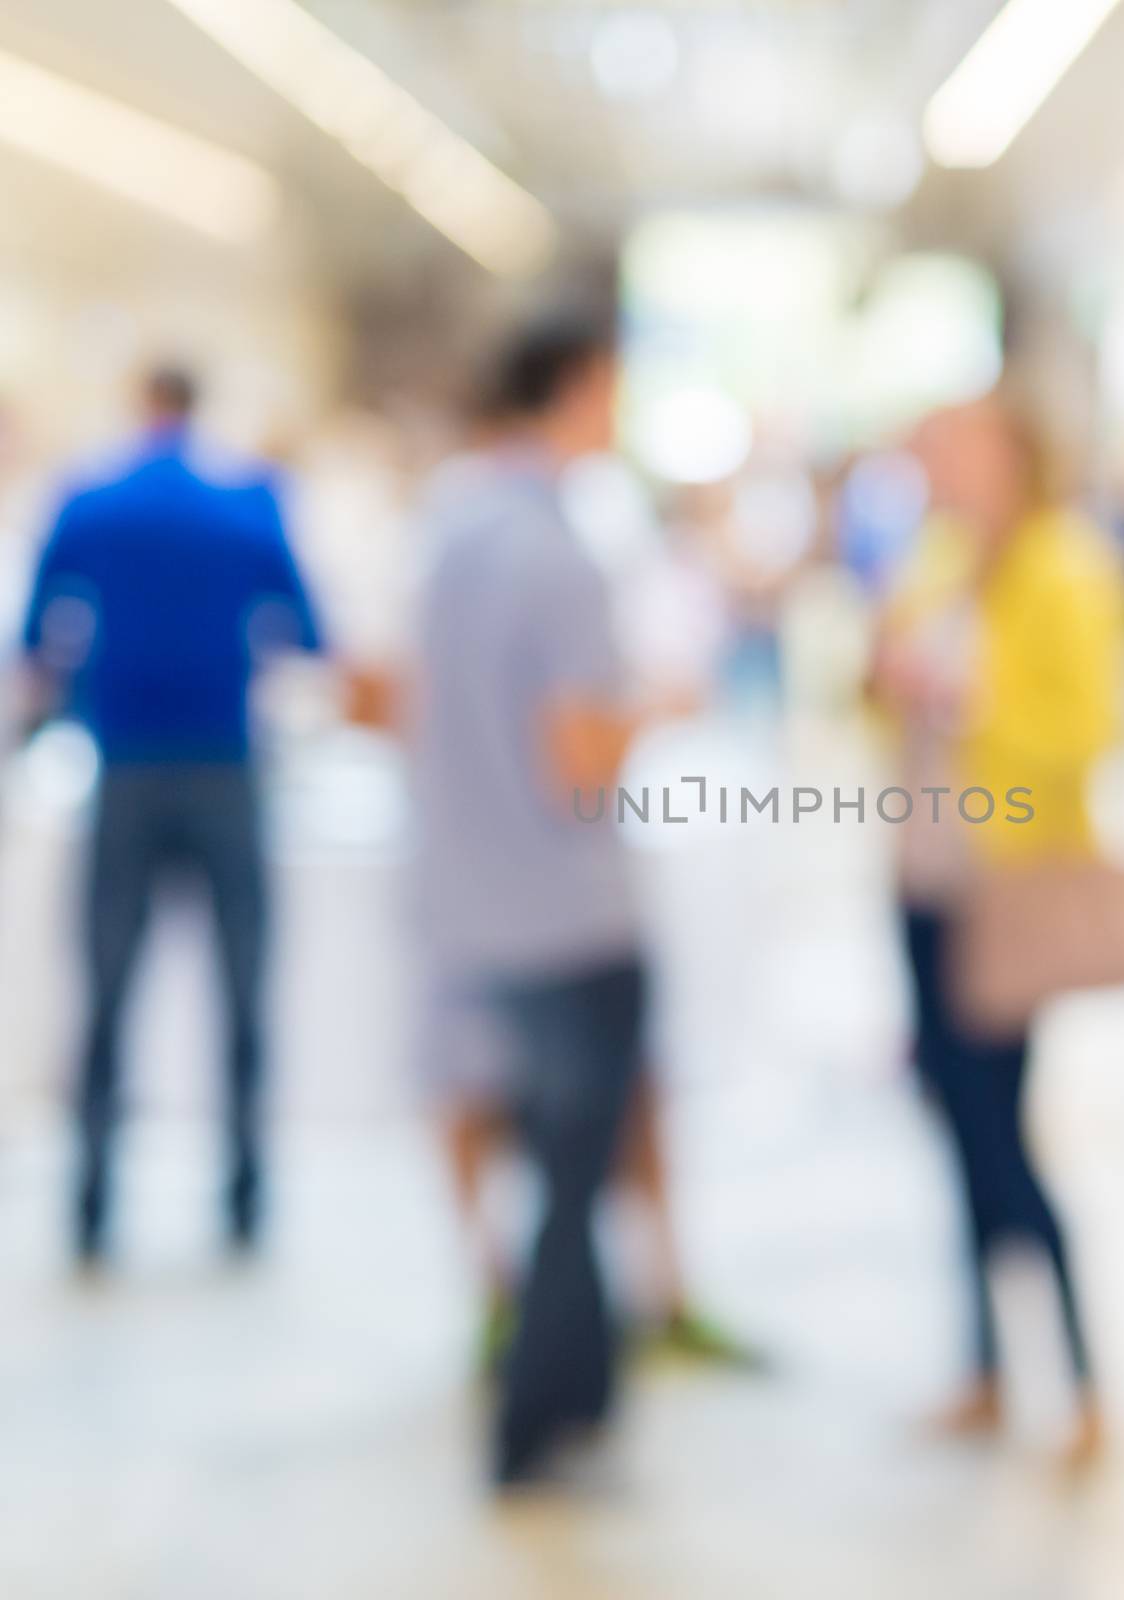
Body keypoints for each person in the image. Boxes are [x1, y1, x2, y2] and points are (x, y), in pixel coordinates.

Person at [874, 394, 1124, 1470]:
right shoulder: (936, 559)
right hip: (925, 874)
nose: (939, 464)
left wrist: (970, 699)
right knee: (952, 1121)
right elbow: (882, 678)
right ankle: (983, 1365)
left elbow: (1086, 732)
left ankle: (1079, 1377)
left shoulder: (1068, 567)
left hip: (1008, 882)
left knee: (999, 1133)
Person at [413, 310, 649, 1486]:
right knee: (571, 1174)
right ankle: (530, 1421)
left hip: (472, 898)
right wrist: (659, 706)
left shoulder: (449, 530)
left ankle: (588, 1387)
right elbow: (580, 759)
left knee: (552, 1160)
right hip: (568, 910)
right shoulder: (557, 553)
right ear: (580, 386)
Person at [18, 364, 325, 1263]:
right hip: (225, 767)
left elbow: (37, 635)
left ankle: (91, 1202)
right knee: (242, 989)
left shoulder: (89, 500)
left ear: (139, 404)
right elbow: (306, 629)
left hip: (126, 769)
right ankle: (242, 1197)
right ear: (199, 408)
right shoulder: (248, 502)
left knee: (108, 991)